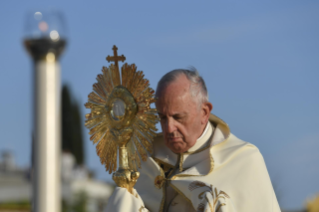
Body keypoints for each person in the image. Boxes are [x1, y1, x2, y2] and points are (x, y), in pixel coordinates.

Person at [105, 68, 281, 212]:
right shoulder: (144, 159)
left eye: (178, 117)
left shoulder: (243, 161)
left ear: (204, 112)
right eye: (163, 118)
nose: (169, 128)